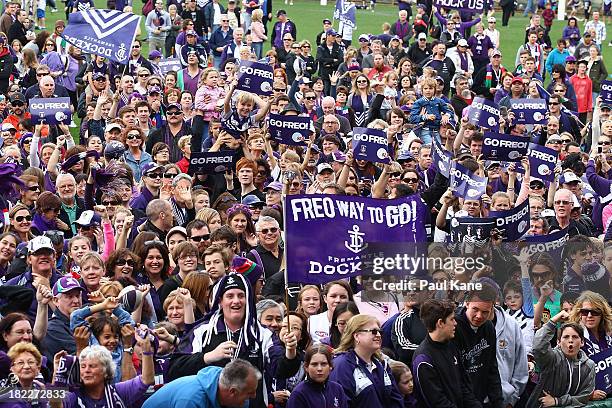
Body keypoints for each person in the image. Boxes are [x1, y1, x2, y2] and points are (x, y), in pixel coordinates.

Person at [412, 299, 483, 407]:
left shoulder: (451, 346)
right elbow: (437, 401)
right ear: (440, 323)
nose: (455, 323)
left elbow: (463, 385)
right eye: (452, 319)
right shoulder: (423, 359)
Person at [329, 315, 404, 408]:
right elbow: (341, 402)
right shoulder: (342, 365)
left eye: (379, 331)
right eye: (373, 331)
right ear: (356, 336)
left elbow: (396, 399)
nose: (378, 335)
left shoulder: (382, 363)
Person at [526, 311, 596, 407]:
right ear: (558, 342)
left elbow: (584, 396)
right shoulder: (552, 358)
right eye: (566, 337)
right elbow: (538, 347)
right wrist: (553, 321)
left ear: (582, 342)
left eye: (575, 337)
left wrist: (557, 401)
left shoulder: (589, 365)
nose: (570, 340)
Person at [452, 285, 504, 408]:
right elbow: (455, 374)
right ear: (467, 303)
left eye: (485, 312)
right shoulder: (453, 327)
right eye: (475, 309)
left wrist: (498, 402)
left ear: (492, 309)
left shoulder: (489, 327)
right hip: (458, 400)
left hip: (481, 397)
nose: (479, 316)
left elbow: (492, 367)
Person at [143, 359, 260, 408]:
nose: (254, 396)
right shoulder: (191, 400)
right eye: (250, 393)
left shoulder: (230, 392)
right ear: (232, 391)